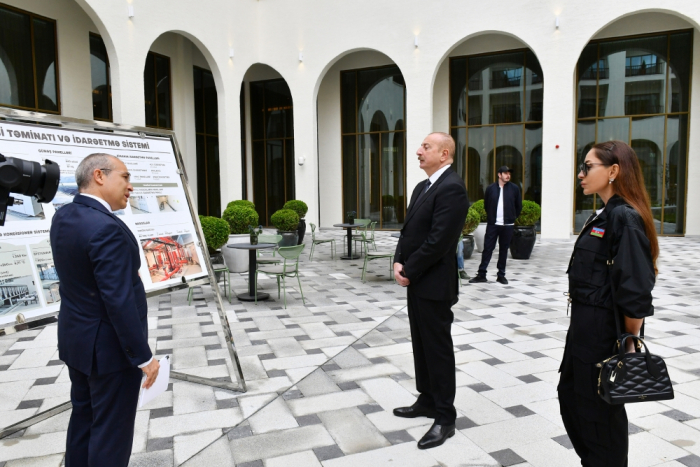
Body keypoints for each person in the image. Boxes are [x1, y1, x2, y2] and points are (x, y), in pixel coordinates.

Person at [51, 153, 160, 467]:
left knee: (84, 420)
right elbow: (119, 300)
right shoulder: (105, 228)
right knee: (111, 434)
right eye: (125, 177)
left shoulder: (65, 216)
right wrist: (143, 357)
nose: (130, 187)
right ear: (99, 175)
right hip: (110, 352)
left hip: (78, 344)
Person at [559, 141, 657, 466]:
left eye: (588, 166)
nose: (580, 174)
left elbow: (636, 291)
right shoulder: (603, 214)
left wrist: (628, 343)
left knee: (600, 419)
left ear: (613, 171)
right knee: (572, 399)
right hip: (582, 333)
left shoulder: (624, 218)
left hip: (603, 338)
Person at [392, 133, 469, 449]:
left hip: (434, 285)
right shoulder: (422, 187)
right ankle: (427, 399)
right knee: (421, 344)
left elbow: (439, 242)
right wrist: (398, 259)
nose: (418, 151)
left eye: (426, 147)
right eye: (420, 147)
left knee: (437, 348)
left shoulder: (452, 189)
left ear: (445, 153)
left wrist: (409, 269)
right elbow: (409, 230)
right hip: (417, 282)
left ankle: (445, 417)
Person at [469, 165, 521, 285]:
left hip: (508, 225)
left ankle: (501, 275)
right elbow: (487, 205)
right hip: (493, 224)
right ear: (499, 174)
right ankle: (482, 274)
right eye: (505, 173)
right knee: (487, 249)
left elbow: (518, 206)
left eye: (509, 173)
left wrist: (512, 217)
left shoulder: (514, 189)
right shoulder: (491, 188)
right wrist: (492, 218)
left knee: (504, 250)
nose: (508, 175)